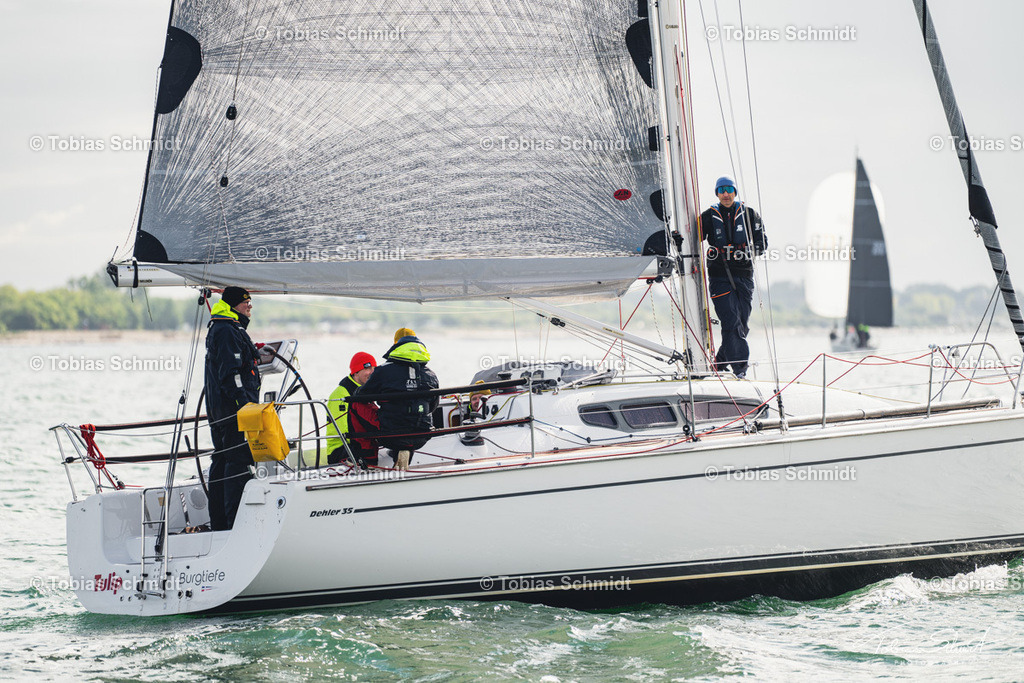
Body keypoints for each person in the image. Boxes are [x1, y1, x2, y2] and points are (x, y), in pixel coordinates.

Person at [204, 286, 260, 530]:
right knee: (237, 459)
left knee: (222, 458)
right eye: (246, 302)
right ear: (234, 304)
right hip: (233, 410)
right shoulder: (227, 330)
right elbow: (231, 374)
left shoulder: (223, 327)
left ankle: (220, 521)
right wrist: (244, 404)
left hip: (220, 410)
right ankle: (235, 522)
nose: (250, 306)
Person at [699, 176, 767, 379]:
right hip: (719, 276)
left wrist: (747, 251)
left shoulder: (750, 214)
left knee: (742, 323)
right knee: (731, 321)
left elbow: (762, 243)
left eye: (729, 189)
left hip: (744, 275)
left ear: (735, 192)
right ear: (717, 194)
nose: (726, 194)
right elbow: (692, 238)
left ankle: (719, 363)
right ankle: (740, 369)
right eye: (721, 190)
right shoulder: (708, 216)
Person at [355, 329, 440, 470]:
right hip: (422, 435)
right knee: (415, 414)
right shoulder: (431, 374)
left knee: (354, 403)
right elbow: (433, 406)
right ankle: (404, 451)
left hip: (390, 435)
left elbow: (361, 395)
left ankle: (367, 459)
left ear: (396, 346)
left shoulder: (383, 371)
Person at [325, 352, 378, 467]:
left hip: (359, 444)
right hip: (340, 449)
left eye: (374, 368)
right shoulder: (341, 394)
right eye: (368, 368)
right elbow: (345, 429)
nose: (372, 372)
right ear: (356, 372)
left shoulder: (366, 390)